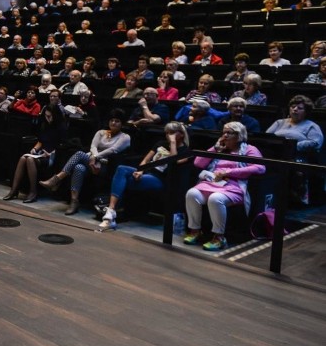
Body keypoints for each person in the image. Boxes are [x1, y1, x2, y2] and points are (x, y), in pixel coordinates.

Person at [183, 122, 266, 251]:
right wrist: (215, 148)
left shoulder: (249, 149)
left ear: (239, 135)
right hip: (212, 183)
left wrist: (229, 172)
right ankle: (195, 230)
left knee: (215, 198)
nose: (225, 135)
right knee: (192, 194)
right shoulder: (220, 148)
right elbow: (198, 163)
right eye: (224, 132)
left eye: (229, 133)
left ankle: (219, 237)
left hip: (234, 185)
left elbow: (260, 168)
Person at [98, 122, 190, 229]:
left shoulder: (186, 152)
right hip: (147, 172)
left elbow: (173, 161)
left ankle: (111, 215)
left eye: (172, 133)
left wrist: (173, 143)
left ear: (181, 134)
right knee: (121, 169)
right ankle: (112, 210)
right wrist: (140, 171)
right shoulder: (161, 143)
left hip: (160, 180)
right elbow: (146, 160)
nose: (168, 135)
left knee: (121, 181)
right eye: (167, 133)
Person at [39, 110, 131, 215]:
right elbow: (93, 146)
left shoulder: (125, 137)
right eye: (112, 120)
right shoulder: (101, 132)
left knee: (79, 154)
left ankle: (57, 179)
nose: (113, 123)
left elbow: (113, 150)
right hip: (92, 161)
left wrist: (96, 157)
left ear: (122, 123)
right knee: (79, 167)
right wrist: (94, 157)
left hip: (107, 166)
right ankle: (74, 201)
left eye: (117, 121)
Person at [266, 95, 324, 204]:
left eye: (299, 108)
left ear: (306, 111)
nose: (295, 109)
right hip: (275, 155)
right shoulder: (280, 122)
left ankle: (294, 200)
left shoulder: (311, 126)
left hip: (298, 157)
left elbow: (316, 143)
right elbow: (267, 137)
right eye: (292, 107)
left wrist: (292, 145)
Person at [4, 105, 67, 203]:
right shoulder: (45, 125)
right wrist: (34, 149)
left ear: (55, 115)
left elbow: (63, 146)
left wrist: (51, 153)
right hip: (42, 153)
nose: (48, 118)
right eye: (46, 116)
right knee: (23, 158)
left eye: (49, 116)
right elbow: (40, 141)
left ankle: (33, 192)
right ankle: (14, 190)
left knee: (29, 159)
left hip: (53, 156)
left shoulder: (61, 127)